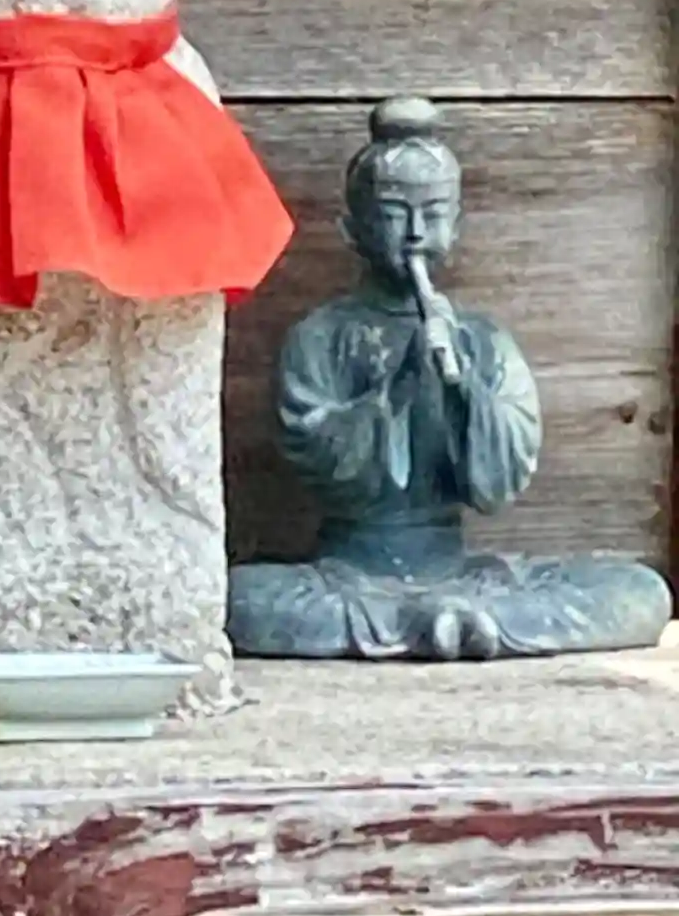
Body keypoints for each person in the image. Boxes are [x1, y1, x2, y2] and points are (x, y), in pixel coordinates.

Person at [227, 98, 672, 660]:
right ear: (352, 229)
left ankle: (445, 619)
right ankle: (435, 624)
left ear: (456, 225)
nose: (416, 233)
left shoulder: (482, 339)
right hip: (351, 576)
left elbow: (501, 481)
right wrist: (401, 386)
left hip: (460, 572)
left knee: (639, 592)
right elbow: (318, 459)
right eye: (395, 214)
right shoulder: (320, 336)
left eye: (433, 214)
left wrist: (463, 387)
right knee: (237, 600)